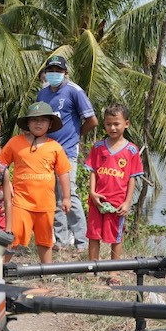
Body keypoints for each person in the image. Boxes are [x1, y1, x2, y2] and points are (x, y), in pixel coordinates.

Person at [36, 55, 98, 253]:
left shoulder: (74, 91)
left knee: (69, 194)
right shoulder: (42, 93)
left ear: (65, 73)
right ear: (46, 72)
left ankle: (82, 242)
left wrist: (77, 134)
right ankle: (61, 241)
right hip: (47, 151)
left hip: (67, 152)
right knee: (53, 197)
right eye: (51, 70)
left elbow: (92, 120)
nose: (54, 74)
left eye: (58, 70)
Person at [0, 102, 71, 264]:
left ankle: (48, 270)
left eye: (43, 120)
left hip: (45, 204)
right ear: (28, 123)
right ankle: (1, 268)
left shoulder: (55, 147)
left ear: (50, 124)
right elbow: (0, 165)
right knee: (13, 236)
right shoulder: (15, 142)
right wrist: (6, 183)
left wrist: (66, 197)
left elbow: (63, 173)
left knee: (45, 241)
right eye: (34, 120)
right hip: (20, 202)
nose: (38, 123)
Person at [84, 103, 144, 282]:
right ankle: (91, 269)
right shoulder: (98, 147)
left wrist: (127, 202)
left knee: (115, 238)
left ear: (126, 124)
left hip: (117, 202)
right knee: (93, 235)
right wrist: (92, 193)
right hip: (97, 201)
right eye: (109, 124)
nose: (112, 127)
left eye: (116, 123)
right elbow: (93, 171)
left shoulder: (131, 150)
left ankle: (113, 273)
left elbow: (132, 178)